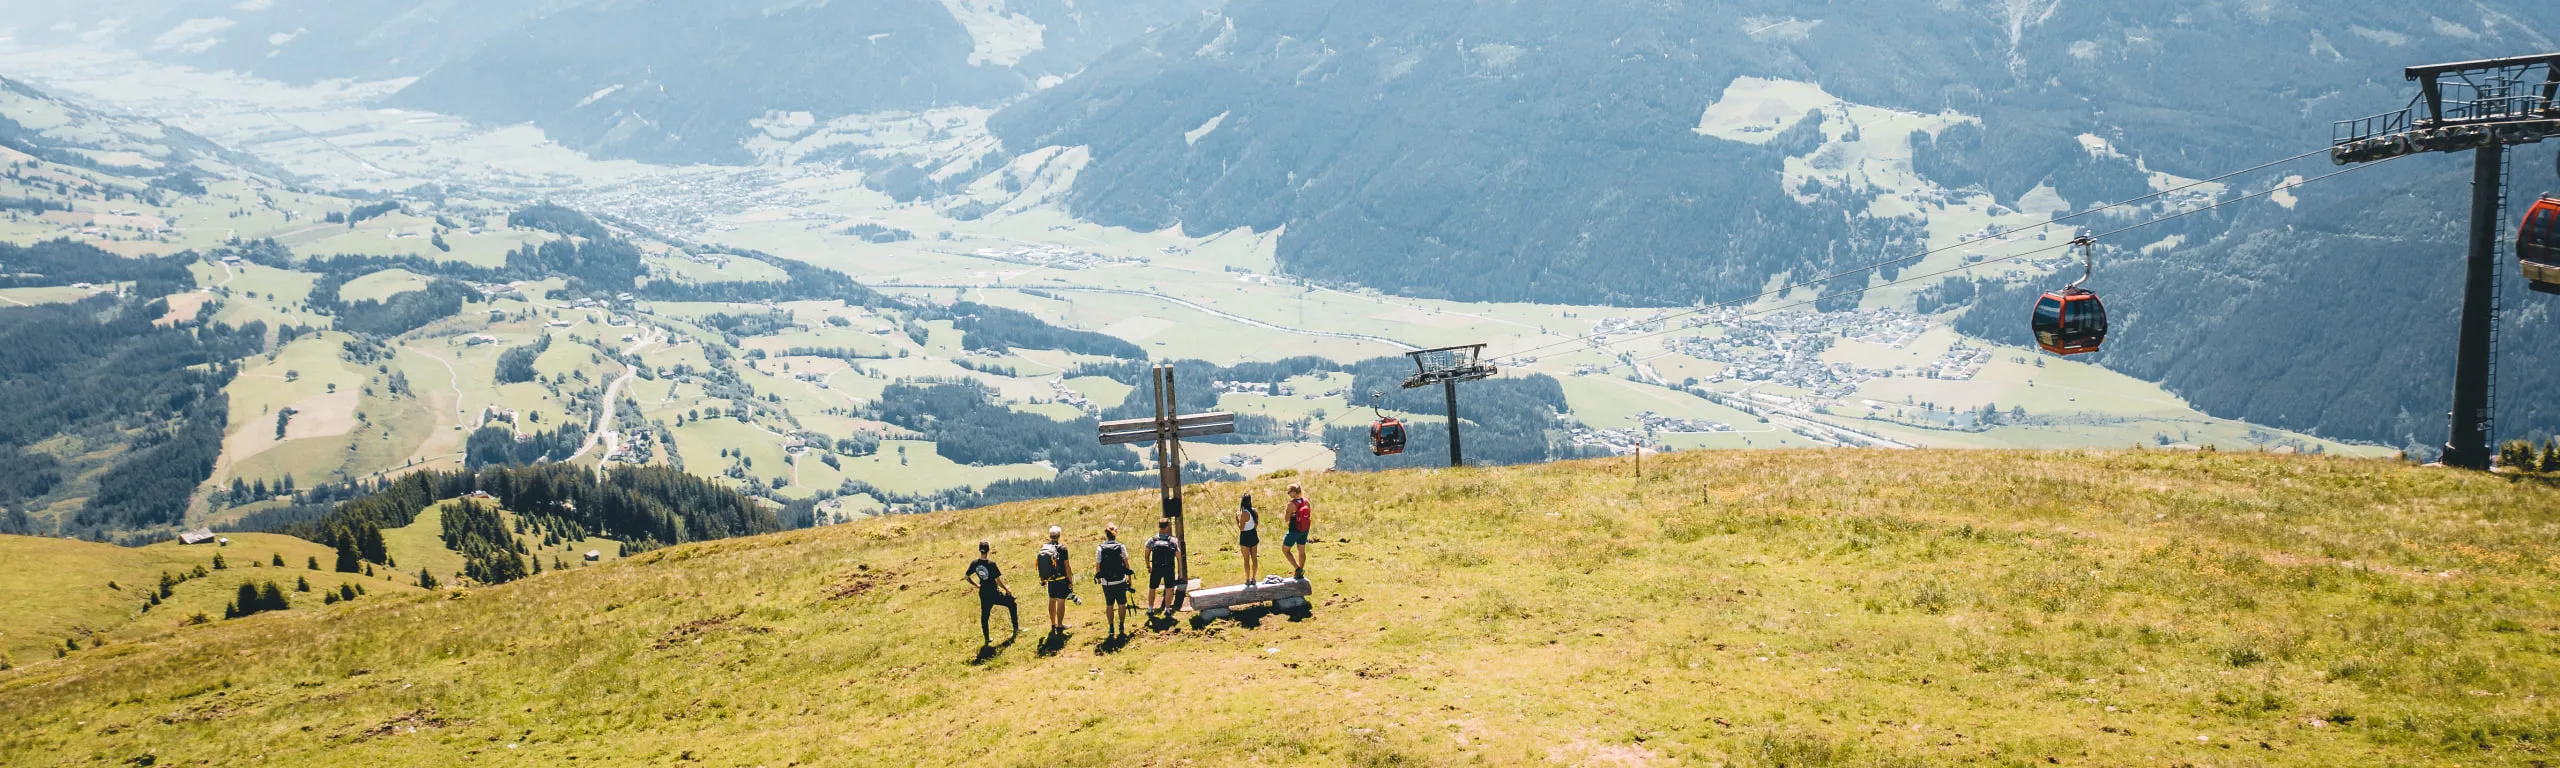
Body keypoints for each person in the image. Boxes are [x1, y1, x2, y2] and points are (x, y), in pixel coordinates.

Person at [964, 541, 1017, 646]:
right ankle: (1016, 628)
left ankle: (987, 638)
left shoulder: (974, 563)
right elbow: (997, 581)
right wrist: (1007, 590)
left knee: (985, 616)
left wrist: (976, 585)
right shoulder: (991, 564)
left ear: (979, 550)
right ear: (988, 550)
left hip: (983, 593)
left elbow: (966, 577)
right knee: (1012, 604)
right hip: (994, 593)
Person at [1094, 523, 1134, 636]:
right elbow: (1126, 564)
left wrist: (1099, 578)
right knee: (1122, 603)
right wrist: (1129, 578)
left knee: (1109, 604)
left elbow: (1098, 564)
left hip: (1107, 582)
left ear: (1106, 535)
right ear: (1115, 534)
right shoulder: (1121, 547)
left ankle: (1111, 627)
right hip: (1120, 580)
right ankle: (1121, 625)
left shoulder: (1100, 548)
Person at [1036, 526, 1074, 635]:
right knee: (1060, 601)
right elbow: (1067, 566)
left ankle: (1053, 624)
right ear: (1059, 536)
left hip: (1050, 580)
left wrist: (1043, 578)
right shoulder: (1062, 548)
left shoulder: (1045, 547)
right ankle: (1060, 625)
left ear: (1050, 536)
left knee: (1052, 600)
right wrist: (1070, 581)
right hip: (1061, 579)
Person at [1145, 518, 1181, 618]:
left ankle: (1150, 609)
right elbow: (1178, 555)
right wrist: (1179, 569)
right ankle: (1167, 609)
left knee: (1152, 588)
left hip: (1156, 568)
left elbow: (1146, 555)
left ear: (1159, 526)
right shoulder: (1172, 540)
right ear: (1168, 527)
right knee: (1169, 588)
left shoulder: (1152, 540)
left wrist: (1148, 566)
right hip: (1169, 568)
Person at [1282, 482, 1314, 581]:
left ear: (1294, 492)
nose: (1288, 493)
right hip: (1304, 529)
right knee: (1301, 550)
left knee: (1285, 550)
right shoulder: (1306, 501)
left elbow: (1286, 519)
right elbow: (1308, 515)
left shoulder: (1291, 504)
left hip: (1294, 530)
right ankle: (1300, 571)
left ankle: (1297, 569)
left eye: (1289, 491)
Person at [1236, 494, 1262, 586]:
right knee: (1254, 558)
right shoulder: (1254, 511)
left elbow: (1241, 528)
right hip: (1253, 534)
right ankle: (1254, 578)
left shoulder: (1244, 514)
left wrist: (1237, 520)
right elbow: (1255, 524)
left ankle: (1247, 579)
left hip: (1245, 536)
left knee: (1246, 559)